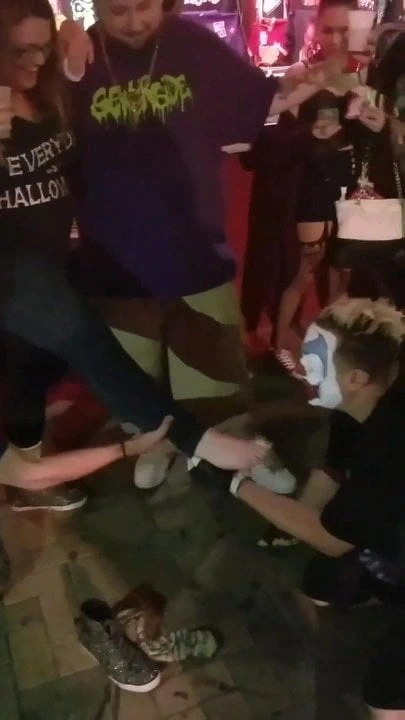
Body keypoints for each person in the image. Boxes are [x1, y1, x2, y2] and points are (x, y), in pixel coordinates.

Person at [58, 0, 350, 490]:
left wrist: (313, 80)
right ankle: (161, 445)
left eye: (144, 8)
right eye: (118, 11)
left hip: (196, 251)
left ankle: (239, 448)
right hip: (114, 262)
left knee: (216, 373)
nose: (134, 22)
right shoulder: (77, 58)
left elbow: (256, 101)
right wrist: (63, 35)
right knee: (136, 381)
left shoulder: (191, 44)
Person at [0, 0, 271, 514]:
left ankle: (210, 443)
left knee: (38, 377)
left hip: (138, 254)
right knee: (102, 357)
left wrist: (66, 39)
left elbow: (250, 113)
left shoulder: (54, 83)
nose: (34, 60)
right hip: (53, 268)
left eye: (40, 49)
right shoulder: (56, 73)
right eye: (20, 51)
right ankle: (174, 443)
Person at [194, 297, 405, 718]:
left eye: (313, 362)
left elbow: (331, 539)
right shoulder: (364, 401)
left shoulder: (388, 445)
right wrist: (290, 523)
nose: (303, 370)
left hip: (386, 530)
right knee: (320, 584)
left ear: (357, 378)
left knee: (384, 696)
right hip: (383, 531)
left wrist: (233, 483)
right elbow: (332, 471)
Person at [240, 0, 385, 369]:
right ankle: (281, 342)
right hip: (309, 191)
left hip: (352, 189)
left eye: (344, 30)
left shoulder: (366, 74)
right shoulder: (301, 72)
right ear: (314, 29)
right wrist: (311, 130)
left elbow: (376, 134)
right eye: (328, 29)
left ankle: (329, 338)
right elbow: (270, 120)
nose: (336, 39)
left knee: (343, 271)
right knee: (302, 271)